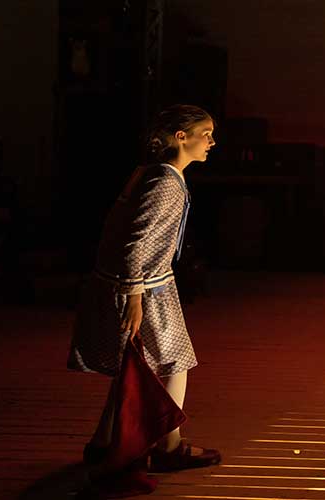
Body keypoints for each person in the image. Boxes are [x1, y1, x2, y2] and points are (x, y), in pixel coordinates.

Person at [68, 104, 222, 473]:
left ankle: (103, 443)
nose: (212, 142)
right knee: (174, 362)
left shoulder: (150, 174)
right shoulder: (165, 181)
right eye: (206, 134)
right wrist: (134, 294)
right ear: (180, 137)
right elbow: (134, 241)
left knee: (135, 367)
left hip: (137, 282)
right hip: (145, 287)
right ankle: (169, 445)